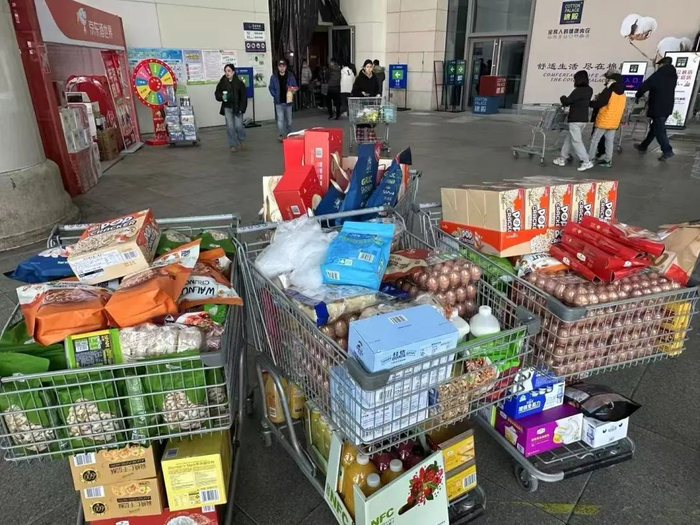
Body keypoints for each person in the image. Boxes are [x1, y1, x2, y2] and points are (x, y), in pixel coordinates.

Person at [634, 56, 678, 160]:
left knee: (660, 130)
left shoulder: (660, 73)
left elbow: (646, 84)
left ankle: (667, 151)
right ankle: (643, 146)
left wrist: (638, 94)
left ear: (662, 64)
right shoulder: (673, 75)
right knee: (655, 128)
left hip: (658, 106)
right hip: (668, 106)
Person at [553, 70, 594, 171]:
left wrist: (562, 97)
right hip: (583, 119)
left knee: (576, 141)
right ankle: (563, 157)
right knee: (569, 138)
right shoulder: (589, 89)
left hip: (575, 119)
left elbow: (567, 101)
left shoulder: (578, 91)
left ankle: (586, 161)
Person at [588, 73, 626, 168]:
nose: (607, 81)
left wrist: (588, 103)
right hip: (614, 121)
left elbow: (600, 103)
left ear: (613, 81)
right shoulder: (623, 94)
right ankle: (608, 161)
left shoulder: (609, 91)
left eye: (609, 79)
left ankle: (590, 159)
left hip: (604, 120)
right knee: (609, 141)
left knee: (594, 140)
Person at [214, 63, 247, 152]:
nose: (227, 73)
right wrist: (221, 97)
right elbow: (217, 94)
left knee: (239, 126)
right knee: (230, 127)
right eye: (225, 71)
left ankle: (242, 140)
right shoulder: (222, 83)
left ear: (233, 72)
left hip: (237, 107)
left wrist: (242, 109)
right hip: (227, 107)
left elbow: (243, 97)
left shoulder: (239, 83)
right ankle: (233, 144)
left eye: (229, 71)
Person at [269, 58, 297, 141]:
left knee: (289, 121)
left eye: (283, 66)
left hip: (288, 102)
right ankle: (281, 135)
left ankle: (289, 134)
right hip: (279, 102)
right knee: (280, 120)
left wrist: (293, 90)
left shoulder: (290, 76)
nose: (282, 68)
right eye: (280, 66)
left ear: (286, 67)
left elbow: (295, 86)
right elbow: (271, 88)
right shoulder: (274, 77)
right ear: (278, 67)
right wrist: (275, 96)